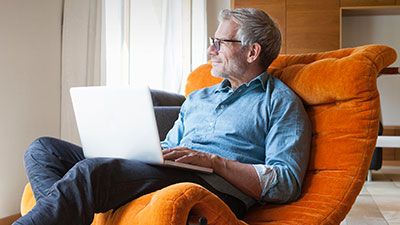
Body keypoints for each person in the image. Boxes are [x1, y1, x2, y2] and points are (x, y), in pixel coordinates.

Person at [14, 8, 311, 225]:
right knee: (43, 150)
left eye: (220, 43)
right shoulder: (200, 97)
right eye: (212, 40)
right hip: (170, 170)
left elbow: (285, 183)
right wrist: (136, 148)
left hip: (212, 186)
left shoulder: (280, 102)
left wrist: (214, 163)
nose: (210, 49)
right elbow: (171, 145)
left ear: (252, 52)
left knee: (92, 172)